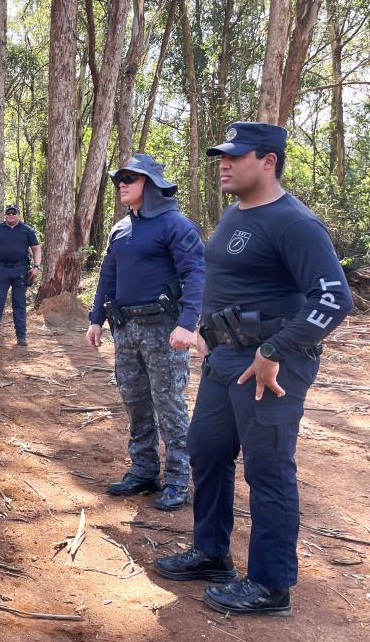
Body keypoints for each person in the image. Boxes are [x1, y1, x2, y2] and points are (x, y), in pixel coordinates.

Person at [155, 122, 352, 616]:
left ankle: (270, 585)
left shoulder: (294, 223)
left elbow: (334, 299)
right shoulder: (235, 213)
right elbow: (224, 281)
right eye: (222, 156)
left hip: (270, 365)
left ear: (268, 161)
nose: (224, 164)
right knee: (206, 450)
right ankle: (211, 554)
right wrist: (204, 329)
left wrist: (274, 351)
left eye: (236, 156)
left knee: (268, 470)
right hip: (224, 358)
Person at [86, 154, 204, 512]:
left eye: (130, 179)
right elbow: (108, 275)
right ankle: (143, 471)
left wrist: (188, 323)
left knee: (168, 404)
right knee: (135, 402)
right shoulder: (120, 229)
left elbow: (195, 274)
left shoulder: (176, 225)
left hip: (164, 331)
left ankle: (179, 480)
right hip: (125, 329)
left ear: (150, 184)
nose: (121, 184)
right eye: (119, 179)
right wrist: (96, 318)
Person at [0, 204, 42, 345]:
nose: (11, 215)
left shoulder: (27, 230)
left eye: (13, 212)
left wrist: (37, 266)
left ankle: (21, 336)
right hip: (1, 270)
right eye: (8, 213)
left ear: (18, 214)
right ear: (5, 215)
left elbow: (36, 248)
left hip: (21, 270)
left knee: (19, 303)